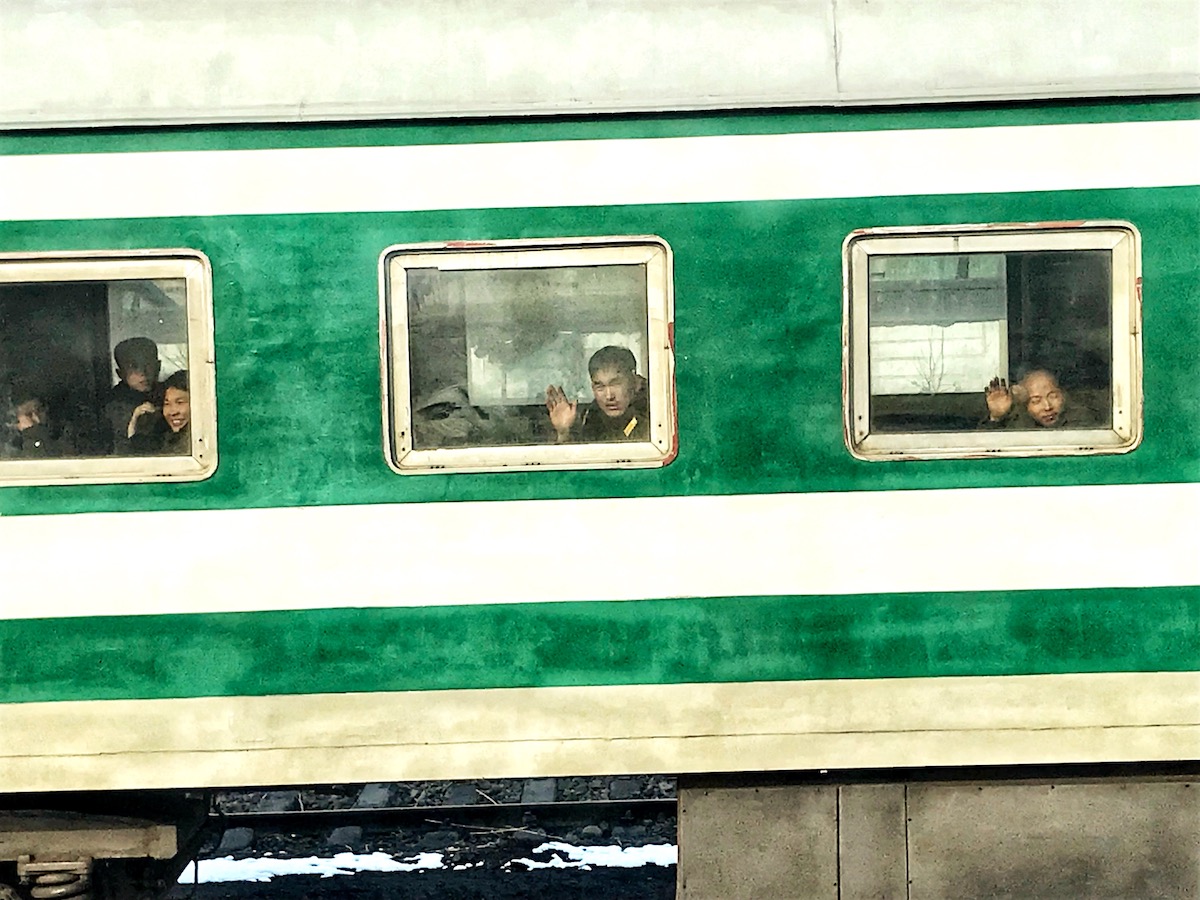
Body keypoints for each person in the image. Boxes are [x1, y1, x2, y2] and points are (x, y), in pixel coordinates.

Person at [545, 346, 649, 443]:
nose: (609, 396)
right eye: (600, 387)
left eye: (616, 384)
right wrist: (564, 432)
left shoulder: (655, 411)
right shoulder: (591, 417)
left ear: (635, 381)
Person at [982, 369, 1093, 429]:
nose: (1047, 407)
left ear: (1063, 394)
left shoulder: (1081, 419)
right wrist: (996, 418)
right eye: (1036, 401)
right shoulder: (1017, 422)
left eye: (1053, 396)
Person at [103, 337, 161, 452]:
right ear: (120, 374)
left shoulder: (170, 395)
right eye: (133, 367)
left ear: (158, 366)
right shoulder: (112, 406)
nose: (142, 373)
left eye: (147, 364)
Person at [129, 369, 190, 454]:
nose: (172, 412)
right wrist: (134, 419)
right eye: (167, 403)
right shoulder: (165, 439)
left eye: (180, 402)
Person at [6, 394, 77, 457]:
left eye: (39, 410)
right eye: (29, 414)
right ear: (15, 421)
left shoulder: (60, 436)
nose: (37, 419)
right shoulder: (9, 448)